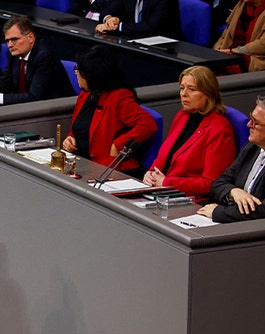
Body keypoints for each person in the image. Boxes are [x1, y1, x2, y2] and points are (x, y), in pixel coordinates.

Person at [199, 94, 265, 222]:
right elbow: (218, 182)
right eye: (251, 118)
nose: (248, 124)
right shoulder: (253, 147)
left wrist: (217, 212)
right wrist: (234, 191)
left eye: (255, 122)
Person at [142, 65, 236, 199]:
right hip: (162, 192)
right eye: (182, 88)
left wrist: (167, 182)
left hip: (190, 199)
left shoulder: (219, 129)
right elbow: (165, 156)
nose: (184, 94)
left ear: (208, 93)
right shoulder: (182, 116)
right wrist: (150, 173)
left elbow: (211, 183)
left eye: (191, 89)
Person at [61, 46, 157, 175]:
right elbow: (82, 127)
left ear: (91, 74)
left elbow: (148, 125)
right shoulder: (85, 95)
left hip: (109, 168)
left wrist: (118, 146)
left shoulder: (119, 97)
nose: (76, 73)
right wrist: (71, 138)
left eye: (79, 70)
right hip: (82, 163)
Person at [0, 15, 73, 106]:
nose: (10, 45)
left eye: (14, 39)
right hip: (28, 109)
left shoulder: (44, 56)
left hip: (56, 112)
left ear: (30, 38)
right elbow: (6, 81)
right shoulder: (14, 53)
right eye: (7, 41)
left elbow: (34, 97)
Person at [88, 0, 182, 39]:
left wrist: (117, 26)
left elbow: (151, 28)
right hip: (133, 39)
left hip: (163, 46)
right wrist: (109, 19)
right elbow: (107, 11)